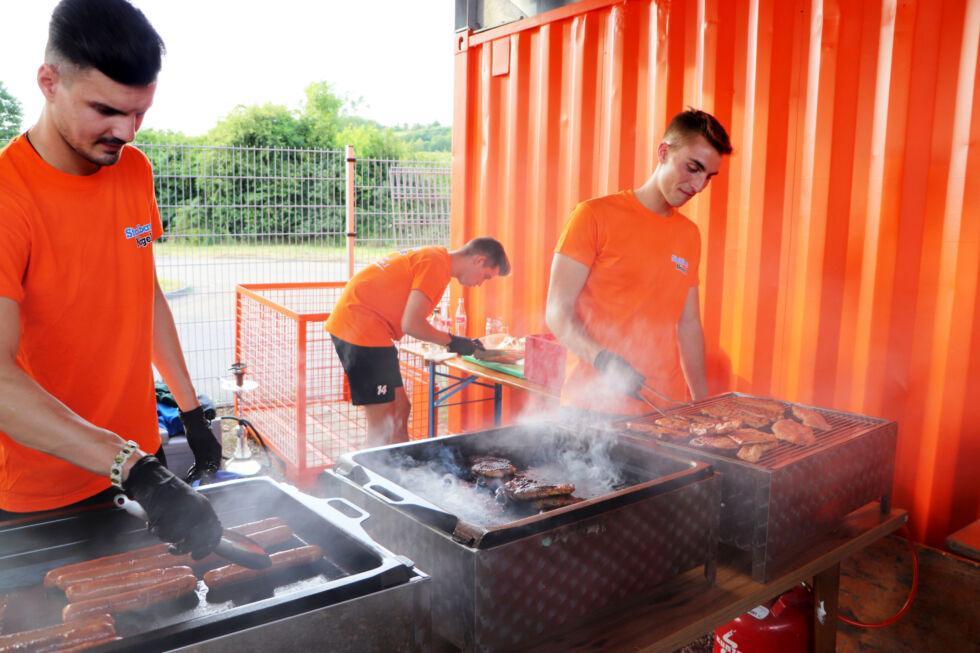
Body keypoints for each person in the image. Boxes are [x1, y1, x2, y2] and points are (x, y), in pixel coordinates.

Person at [0, 0, 222, 557]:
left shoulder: (133, 169)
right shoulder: (8, 198)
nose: (125, 130)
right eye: (105, 109)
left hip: (141, 460)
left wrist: (191, 412)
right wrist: (133, 468)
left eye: (139, 111)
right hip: (43, 487)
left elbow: (142, 295)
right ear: (49, 82)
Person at [545, 108, 732, 416]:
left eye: (708, 177)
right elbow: (557, 312)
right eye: (693, 167)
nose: (698, 187)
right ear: (663, 152)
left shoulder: (689, 235)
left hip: (661, 411)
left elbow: (688, 325)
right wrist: (604, 360)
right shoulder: (593, 216)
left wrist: (701, 403)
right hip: (592, 408)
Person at [326, 238, 511, 447]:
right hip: (361, 330)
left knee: (401, 408)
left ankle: (402, 468)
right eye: (486, 277)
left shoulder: (435, 258)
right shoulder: (436, 266)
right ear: (479, 260)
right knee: (382, 423)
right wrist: (455, 342)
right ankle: (375, 473)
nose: (480, 284)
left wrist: (454, 342)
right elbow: (412, 324)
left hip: (372, 330)